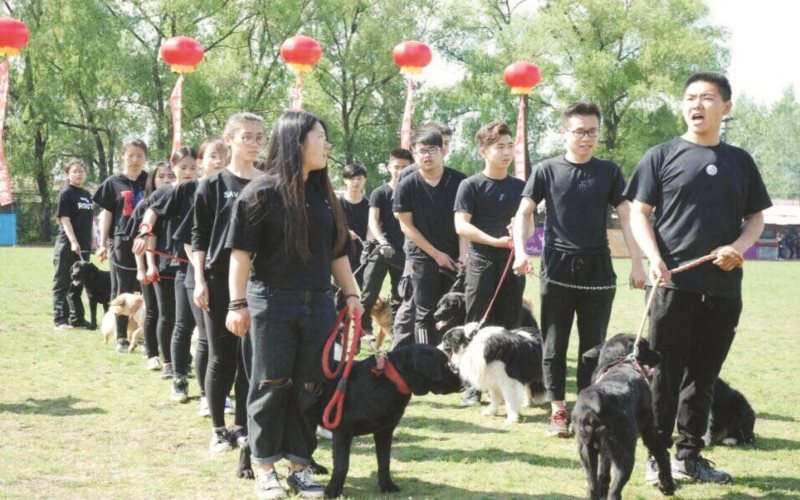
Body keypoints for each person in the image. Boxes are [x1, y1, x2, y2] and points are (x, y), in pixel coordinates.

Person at [624, 72, 771, 484]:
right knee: (664, 375)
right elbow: (639, 211)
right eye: (690, 97)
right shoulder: (661, 155)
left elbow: (756, 216)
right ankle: (658, 457)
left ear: (726, 107)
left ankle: (690, 455)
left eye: (708, 98)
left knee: (703, 376)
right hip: (672, 285)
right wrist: (653, 257)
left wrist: (738, 248)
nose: (697, 105)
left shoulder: (740, 161)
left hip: (723, 290)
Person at [226, 111, 361, 499]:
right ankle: (265, 466)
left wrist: (351, 295)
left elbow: (336, 253)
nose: (327, 145)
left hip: (318, 305)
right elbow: (240, 254)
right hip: (271, 304)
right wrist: (237, 305)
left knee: (311, 385)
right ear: (296, 142)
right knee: (270, 384)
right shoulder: (261, 193)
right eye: (321, 137)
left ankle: (300, 466)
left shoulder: (323, 195)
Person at [512, 101, 646, 438]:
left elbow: (627, 217)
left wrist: (636, 263)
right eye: (579, 132)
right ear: (564, 132)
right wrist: (519, 251)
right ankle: (558, 411)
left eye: (592, 132)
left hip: (598, 270)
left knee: (594, 346)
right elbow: (524, 213)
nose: (586, 138)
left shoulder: (609, 172)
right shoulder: (546, 169)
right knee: (554, 344)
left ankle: (587, 408)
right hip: (557, 267)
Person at [192, 113, 263, 453]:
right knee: (222, 357)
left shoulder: (267, 182)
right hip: (220, 280)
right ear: (230, 139)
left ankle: (246, 427)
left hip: (261, 282)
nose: (253, 142)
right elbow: (198, 237)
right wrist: (200, 280)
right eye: (247, 136)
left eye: (259, 137)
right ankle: (219, 428)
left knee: (251, 359)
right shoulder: (212, 184)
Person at [454, 122, 526, 406]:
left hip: (512, 262)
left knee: (510, 326)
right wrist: (494, 240)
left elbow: (528, 222)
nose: (506, 152)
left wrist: (519, 234)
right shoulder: (470, 185)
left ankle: (510, 387)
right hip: (482, 261)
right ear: (483, 150)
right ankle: (472, 386)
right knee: (476, 324)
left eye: (510, 146)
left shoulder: (521, 187)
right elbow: (461, 225)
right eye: (500, 147)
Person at [394, 128, 467, 346]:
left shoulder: (460, 182)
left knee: (455, 312)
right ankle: (426, 361)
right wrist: (436, 254)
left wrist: (463, 255)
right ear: (414, 155)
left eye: (432, 150)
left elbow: (465, 222)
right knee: (424, 314)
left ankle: (451, 361)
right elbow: (406, 226)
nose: (427, 155)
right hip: (423, 259)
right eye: (421, 151)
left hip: (456, 259)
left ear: (443, 151)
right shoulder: (407, 184)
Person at [133, 149, 199, 387]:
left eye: (193, 168)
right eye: (183, 168)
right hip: (169, 263)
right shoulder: (167, 193)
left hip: (198, 264)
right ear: (174, 167)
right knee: (169, 316)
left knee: (194, 323)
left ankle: (190, 367)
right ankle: (170, 365)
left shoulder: (205, 188)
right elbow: (151, 216)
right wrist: (144, 233)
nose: (189, 173)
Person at [93, 139, 149, 353]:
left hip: (148, 244)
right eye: (131, 155)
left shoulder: (150, 181)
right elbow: (106, 214)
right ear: (122, 156)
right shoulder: (112, 182)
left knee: (148, 291)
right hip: (121, 244)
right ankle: (121, 338)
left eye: (140, 156)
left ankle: (147, 336)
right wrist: (102, 243)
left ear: (145, 158)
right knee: (121, 292)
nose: (135, 160)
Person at [359, 148, 413, 335]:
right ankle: (361, 331)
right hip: (380, 250)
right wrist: (382, 241)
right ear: (389, 167)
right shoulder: (380, 192)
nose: (399, 171)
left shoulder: (413, 191)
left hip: (404, 252)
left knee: (401, 296)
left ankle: (397, 335)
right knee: (368, 294)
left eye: (404, 167)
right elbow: (372, 221)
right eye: (396, 167)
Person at [131, 161, 175, 372]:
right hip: (151, 267)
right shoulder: (146, 205)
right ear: (153, 180)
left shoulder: (179, 201)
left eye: (170, 176)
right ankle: (152, 354)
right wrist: (141, 269)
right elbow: (139, 241)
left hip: (172, 266)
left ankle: (174, 355)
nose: (167, 180)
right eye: (161, 176)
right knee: (153, 311)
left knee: (172, 314)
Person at [52, 160, 94, 330]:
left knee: (78, 283)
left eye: (82, 171)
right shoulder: (65, 194)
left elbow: (89, 221)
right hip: (67, 245)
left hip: (84, 245)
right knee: (63, 282)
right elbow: (65, 219)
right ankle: (60, 319)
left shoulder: (87, 194)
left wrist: (94, 240)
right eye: (75, 171)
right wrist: (73, 241)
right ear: (67, 174)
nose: (79, 174)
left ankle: (76, 319)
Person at [338, 163, 370, 288]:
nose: (355, 182)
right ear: (345, 180)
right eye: (352, 178)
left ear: (365, 180)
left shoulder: (370, 205)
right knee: (340, 293)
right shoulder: (336, 204)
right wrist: (345, 232)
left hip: (363, 254)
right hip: (341, 253)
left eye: (359, 178)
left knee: (367, 292)